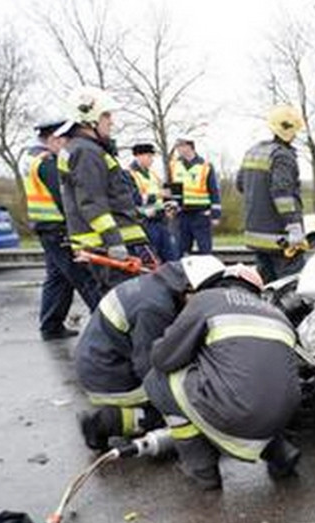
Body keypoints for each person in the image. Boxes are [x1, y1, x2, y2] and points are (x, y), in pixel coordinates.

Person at [143, 264, 303, 490]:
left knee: (157, 381)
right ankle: (279, 452)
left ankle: (202, 470)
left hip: (236, 414)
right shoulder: (279, 316)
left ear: (220, 284)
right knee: (251, 386)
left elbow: (163, 359)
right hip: (282, 416)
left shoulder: (208, 300)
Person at [74, 255, 225, 451]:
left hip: (102, 362)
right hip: (110, 377)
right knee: (186, 417)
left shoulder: (157, 284)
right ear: (189, 288)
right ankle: (105, 422)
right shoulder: (155, 308)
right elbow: (150, 366)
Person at [60, 86, 155, 291]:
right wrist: (113, 242)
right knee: (128, 307)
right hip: (108, 246)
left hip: (108, 243)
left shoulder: (83, 149)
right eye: (106, 115)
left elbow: (108, 197)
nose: (111, 121)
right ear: (89, 118)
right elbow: (92, 203)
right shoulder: (86, 152)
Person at [24, 117, 102, 341]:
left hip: (47, 229)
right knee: (86, 278)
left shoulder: (34, 158)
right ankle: (107, 329)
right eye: (64, 139)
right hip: (59, 229)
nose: (68, 144)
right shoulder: (48, 162)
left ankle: (51, 326)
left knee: (58, 279)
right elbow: (65, 200)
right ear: (53, 139)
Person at [238, 104, 308, 283]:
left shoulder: (252, 152)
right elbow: (282, 194)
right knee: (290, 287)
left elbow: (240, 185)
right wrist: (293, 226)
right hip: (280, 237)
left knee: (266, 285)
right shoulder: (283, 156)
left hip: (256, 235)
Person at [128, 143, 179, 262]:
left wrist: (170, 205)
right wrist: (156, 195)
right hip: (144, 223)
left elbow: (163, 196)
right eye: (149, 156)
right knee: (149, 260)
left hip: (161, 221)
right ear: (138, 156)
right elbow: (134, 199)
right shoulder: (129, 174)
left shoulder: (153, 174)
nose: (152, 160)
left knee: (171, 257)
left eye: (152, 156)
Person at [170, 138, 221, 256]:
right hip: (181, 214)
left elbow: (214, 190)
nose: (178, 149)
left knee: (205, 250)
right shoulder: (173, 165)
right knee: (180, 250)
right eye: (177, 146)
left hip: (201, 214)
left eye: (180, 146)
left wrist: (215, 214)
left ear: (190, 146)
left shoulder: (206, 166)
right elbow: (170, 190)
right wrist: (170, 211)